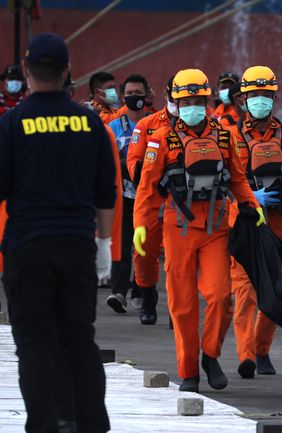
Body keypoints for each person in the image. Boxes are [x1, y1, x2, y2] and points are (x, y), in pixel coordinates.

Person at [0, 33, 113, 432]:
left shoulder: (12, 123)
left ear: (27, 71)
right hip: (76, 247)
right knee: (79, 339)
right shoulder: (90, 123)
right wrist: (104, 244)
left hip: (28, 247)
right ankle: (91, 424)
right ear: (68, 72)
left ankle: (45, 425)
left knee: (34, 343)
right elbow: (106, 192)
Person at [133, 68, 263, 392]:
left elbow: (237, 178)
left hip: (216, 227)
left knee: (220, 295)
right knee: (183, 305)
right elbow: (147, 189)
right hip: (177, 229)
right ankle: (188, 371)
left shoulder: (223, 135)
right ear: (176, 102)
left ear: (206, 100)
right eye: (186, 100)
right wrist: (139, 226)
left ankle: (210, 355)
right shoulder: (160, 140)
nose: (192, 105)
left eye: (197, 99)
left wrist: (252, 206)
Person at [228, 65, 282, 377]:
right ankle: (246, 355)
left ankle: (262, 349)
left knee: (275, 290)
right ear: (243, 98)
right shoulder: (230, 136)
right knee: (245, 291)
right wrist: (250, 197)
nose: (259, 100)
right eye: (254, 95)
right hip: (245, 221)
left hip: (278, 223)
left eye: (265, 94)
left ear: (274, 97)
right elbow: (224, 183)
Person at [125, 76, 178, 324]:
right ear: (167, 94)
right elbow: (133, 159)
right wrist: (149, 176)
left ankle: (177, 304)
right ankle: (147, 295)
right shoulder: (147, 125)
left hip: (183, 201)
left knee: (180, 255)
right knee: (144, 251)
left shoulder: (202, 125)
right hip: (151, 196)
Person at [105, 74, 150, 314]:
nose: (135, 98)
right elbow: (105, 161)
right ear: (123, 98)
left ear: (147, 95)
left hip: (149, 196)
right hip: (123, 195)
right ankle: (119, 292)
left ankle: (140, 288)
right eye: (130, 94)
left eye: (139, 94)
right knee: (121, 244)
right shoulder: (114, 127)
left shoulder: (155, 125)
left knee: (143, 246)